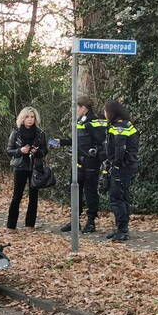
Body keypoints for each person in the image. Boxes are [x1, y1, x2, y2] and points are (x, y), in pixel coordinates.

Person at [53, 96, 107, 233]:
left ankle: (91, 221)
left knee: (90, 192)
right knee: (74, 190)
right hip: (77, 162)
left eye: (76, 108)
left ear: (83, 108)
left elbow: (101, 141)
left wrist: (95, 154)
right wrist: (61, 142)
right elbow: (76, 140)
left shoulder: (94, 121)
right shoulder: (80, 120)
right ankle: (74, 221)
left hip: (90, 163)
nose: (75, 110)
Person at [5, 107, 49, 230]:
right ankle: (11, 225)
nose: (30, 119)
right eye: (27, 117)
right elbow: (9, 150)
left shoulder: (40, 133)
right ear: (22, 118)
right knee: (17, 196)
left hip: (35, 167)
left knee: (33, 196)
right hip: (20, 167)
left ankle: (30, 224)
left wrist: (37, 152)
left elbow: (45, 150)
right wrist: (20, 150)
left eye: (32, 117)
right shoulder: (16, 132)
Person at [102, 101, 139, 242]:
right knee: (123, 197)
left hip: (121, 167)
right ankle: (120, 228)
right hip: (128, 166)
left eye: (105, 111)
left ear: (111, 112)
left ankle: (122, 230)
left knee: (117, 198)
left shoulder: (118, 128)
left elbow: (120, 149)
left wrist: (115, 165)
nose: (104, 114)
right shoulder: (127, 125)